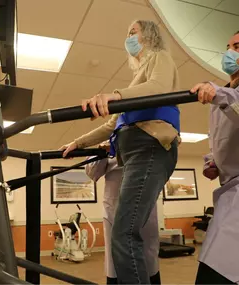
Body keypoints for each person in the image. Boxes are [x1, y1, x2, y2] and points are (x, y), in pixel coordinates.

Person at [60, 20, 180, 284]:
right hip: (134, 153)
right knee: (124, 234)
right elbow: (111, 125)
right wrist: (78, 143)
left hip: (149, 147)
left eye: (133, 32)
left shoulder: (160, 57)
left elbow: (159, 87)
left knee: (124, 235)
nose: (129, 37)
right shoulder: (136, 80)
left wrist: (115, 95)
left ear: (148, 35)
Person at [190, 30, 239, 284]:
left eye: (238, 47)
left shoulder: (225, 95)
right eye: (228, 46)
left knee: (218, 270)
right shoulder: (225, 93)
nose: (230, 52)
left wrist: (218, 93)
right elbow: (221, 139)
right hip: (229, 190)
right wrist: (212, 161)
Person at [85, 142, 161, 285]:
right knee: (116, 261)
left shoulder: (149, 134)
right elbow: (92, 173)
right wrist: (102, 151)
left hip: (145, 211)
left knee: (147, 259)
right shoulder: (111, 137)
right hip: (114, 211)